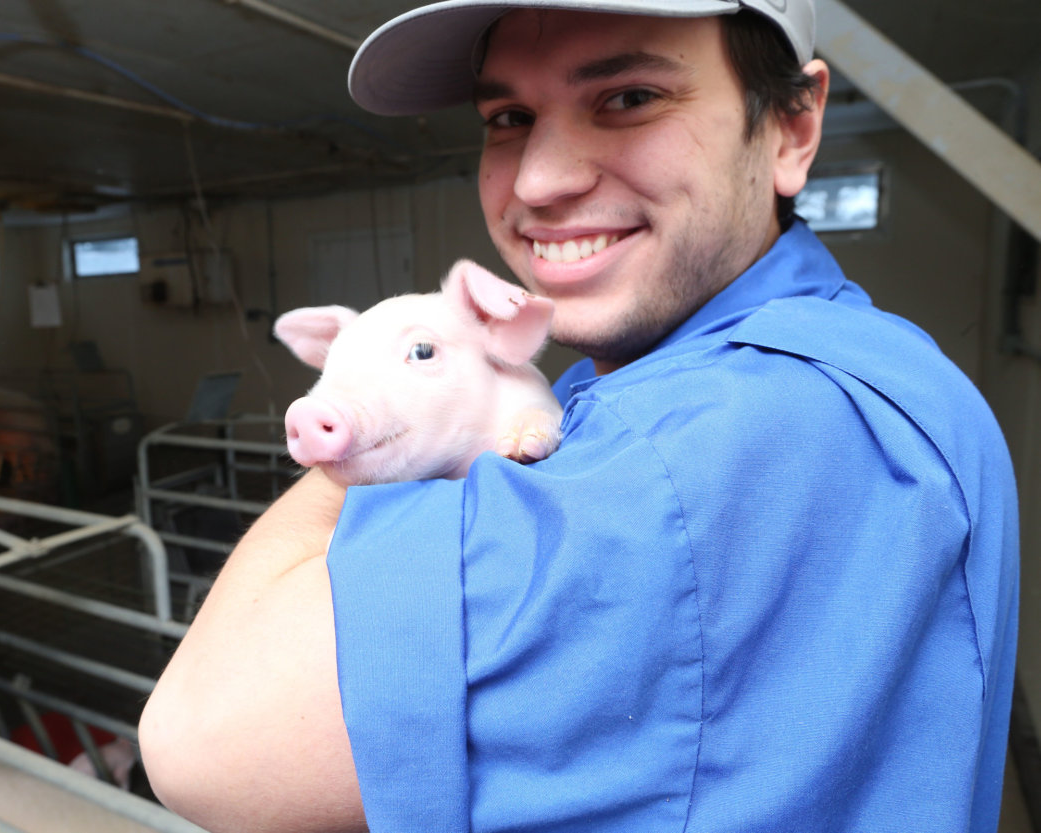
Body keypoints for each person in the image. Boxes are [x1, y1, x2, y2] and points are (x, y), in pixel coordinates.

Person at [139, 1, 1020, 831]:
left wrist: (372, 406)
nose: (538, 180)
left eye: (630, 98)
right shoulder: (864, 355)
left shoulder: (704, 442)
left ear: (791, 128)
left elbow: (201, 739)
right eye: (507, 118)